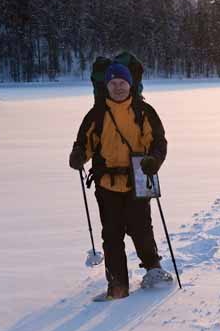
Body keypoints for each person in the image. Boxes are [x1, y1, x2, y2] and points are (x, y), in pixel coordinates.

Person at [69, 57, 172, 300]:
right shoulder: (96, 114)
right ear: (106, 86)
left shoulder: (144, 111)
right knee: (112, 235)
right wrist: (78, 157)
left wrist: (154, 160)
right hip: (107, 183)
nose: (118, 87)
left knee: (141, 229)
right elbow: (84, 144)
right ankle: (117, 285)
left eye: (122, 82)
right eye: (113, 82)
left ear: (130, 84)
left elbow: (158, 142)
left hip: (140, 176)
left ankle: (154, 270)